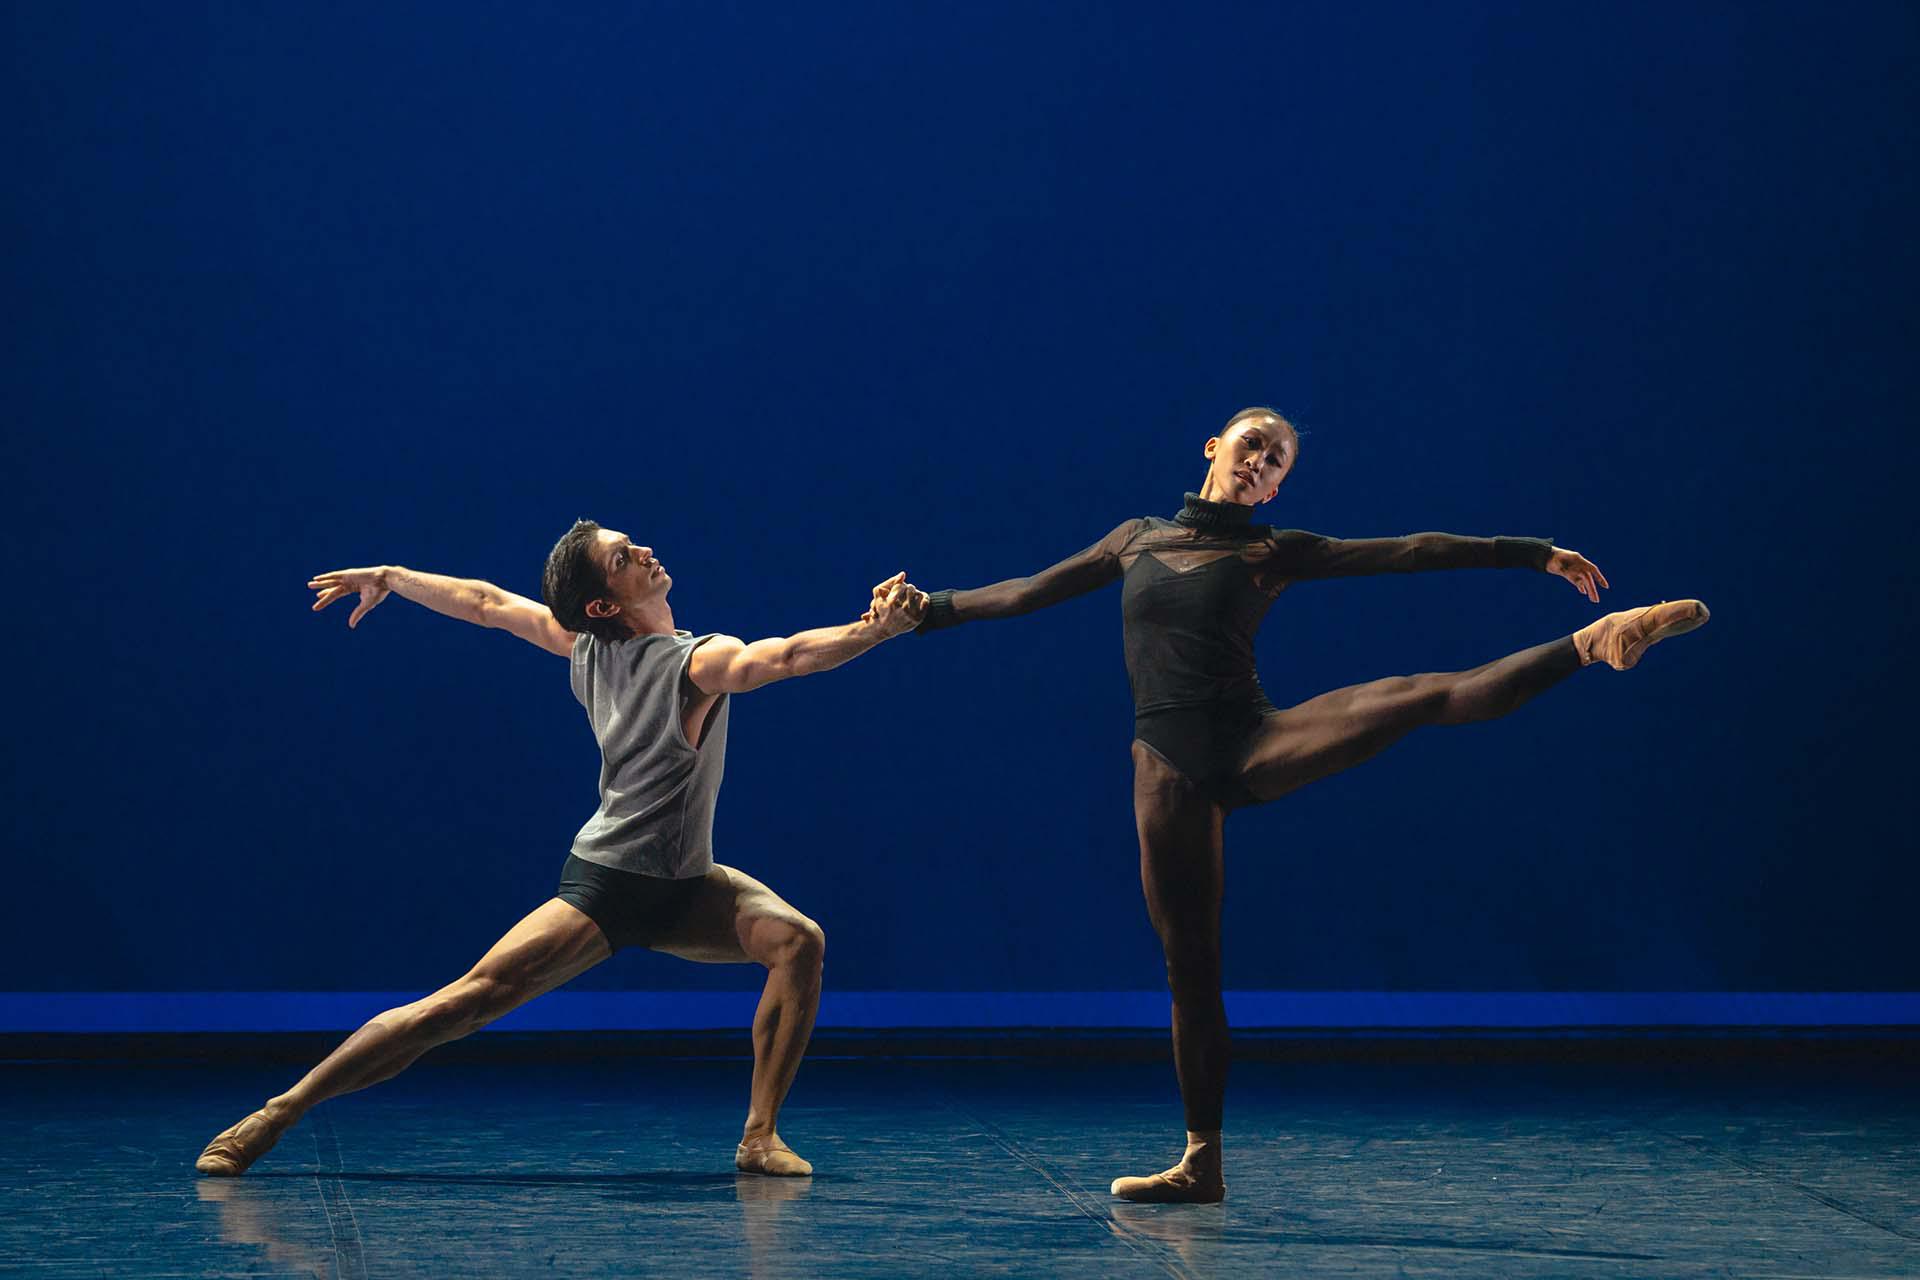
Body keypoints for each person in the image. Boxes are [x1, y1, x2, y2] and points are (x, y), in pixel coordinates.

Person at [915, 407, 1709, 1203]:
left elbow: (1410, 551)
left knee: (1417, 695)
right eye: (1252, 445)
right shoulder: (1135, 539)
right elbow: (1027, 592)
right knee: (1192, 968)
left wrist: (1533, 553)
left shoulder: (1274, 551)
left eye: (1277, 461)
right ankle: (1201, 1162)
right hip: (1168, 770)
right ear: (1214, 448)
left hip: (1256, 739)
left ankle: (1594, 642)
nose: (1260, 461)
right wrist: (933, 607)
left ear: (1275, 489)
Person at [194, 520, 928, 1178]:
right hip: (612, 885)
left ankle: (759, 1137)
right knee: (464, 1005)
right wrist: (875, 630)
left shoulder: (587, 644)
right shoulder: (693, 663)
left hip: (687, 885)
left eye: (631, 544)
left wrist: (391, 576)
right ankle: (277, 1113)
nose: (644, 551)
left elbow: (486, 603)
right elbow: (791, 656)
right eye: (623, 557)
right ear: (604, 604)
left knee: (798, 942)